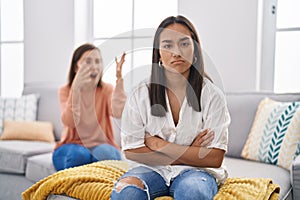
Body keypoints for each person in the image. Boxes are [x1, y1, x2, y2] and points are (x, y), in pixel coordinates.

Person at [110, 15, 231, 200]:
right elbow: (132, 151)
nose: (177, 52)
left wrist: (160, 145)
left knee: (194, 192)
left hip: (195, 172)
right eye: (167, 45)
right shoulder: (140, 94)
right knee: (126, 193)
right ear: (158, 53)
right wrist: (189, 151)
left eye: (184, 43)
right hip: (149, 170)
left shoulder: (212, 96)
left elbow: (214, 158)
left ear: (195, 49)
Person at [52, 43, 127, 171]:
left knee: (106, 154)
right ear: (76, 68)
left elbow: (118, 113)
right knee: (79, 155)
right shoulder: (65, 90)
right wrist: (75, 89)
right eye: (88, 62)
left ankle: (96, 187)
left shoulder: (106, 89)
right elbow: (69, 122)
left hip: (102, 144)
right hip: (71, 144)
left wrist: (119, 81)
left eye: (98, 61)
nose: (94, 67)